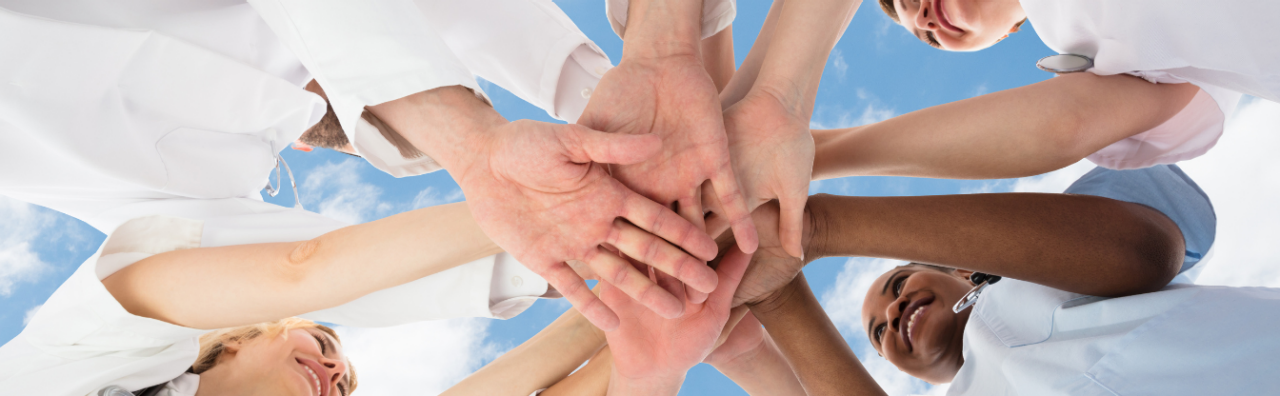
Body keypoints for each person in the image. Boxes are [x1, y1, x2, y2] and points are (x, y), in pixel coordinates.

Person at [0, 0, 724, 330]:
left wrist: (618, 89)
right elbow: (294, 277)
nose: (304, 143)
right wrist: (580, 241)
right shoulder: (156, 188)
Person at [732, 164, 1280, 394]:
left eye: (898, 286)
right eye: (879, 334)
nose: (893, 314)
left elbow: (1150, 245)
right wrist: (770, 307)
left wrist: (819, 228)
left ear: (963, 269)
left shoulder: (1038, 274)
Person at [0, 200, 511, 395]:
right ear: (241, 336)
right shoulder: (101, 348)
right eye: (323, 346)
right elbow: (301, 270)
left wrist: (590, 314)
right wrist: (541, 218)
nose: (333, 376)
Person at [807, 0, 1280, 182]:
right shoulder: (1087, 54)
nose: (923, 19)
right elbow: (1065, 124)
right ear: (1004, 35)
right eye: (925, 34)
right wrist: (814, 154)